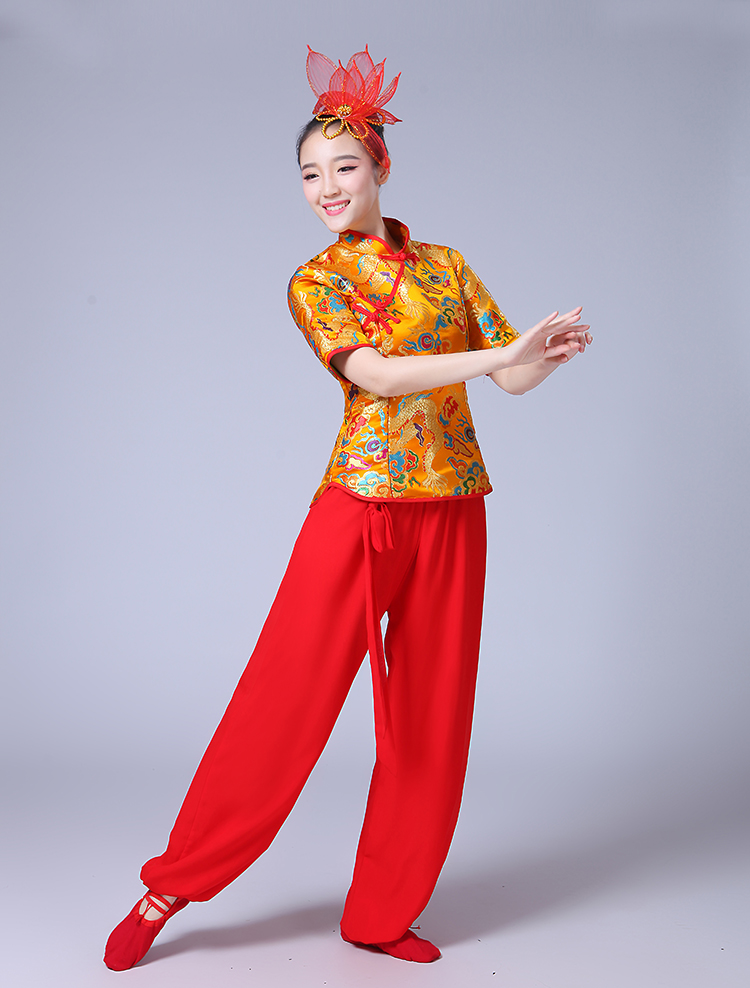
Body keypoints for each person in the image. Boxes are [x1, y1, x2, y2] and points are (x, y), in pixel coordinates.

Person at [103, 45, 592, 971]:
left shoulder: (447, 266)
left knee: (432, 720)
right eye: (310, 174)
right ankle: (170, 886)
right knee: (283, 701)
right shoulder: (316, 282)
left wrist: (542, 355)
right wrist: (500, 356)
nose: (327, 188)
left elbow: (511, 380)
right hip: (361, 504)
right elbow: (377, 375)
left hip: (454, 504)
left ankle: (382, 912)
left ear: (381, 169)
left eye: (344, 168)